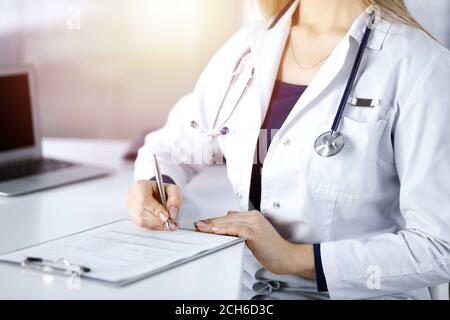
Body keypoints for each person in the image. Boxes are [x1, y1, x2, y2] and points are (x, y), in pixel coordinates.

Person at [128, 0, 450, 299]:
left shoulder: (420, 64)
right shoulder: (249, 45)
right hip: (250, 293)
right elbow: (170, 148)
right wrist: (156, 186)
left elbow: (439, 247)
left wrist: (295, 258)